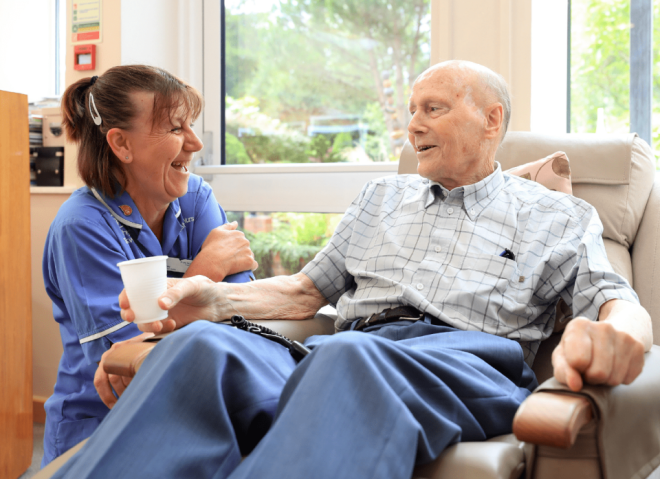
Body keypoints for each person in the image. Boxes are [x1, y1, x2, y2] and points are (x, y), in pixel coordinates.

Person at [50, 60, 651, 479]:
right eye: (412, 110)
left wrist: (617, 336)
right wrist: (209, 300)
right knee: (205, 350)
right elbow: (307, 291)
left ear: (491, 120)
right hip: (355, 347)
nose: (412, 125)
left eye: (433, 109)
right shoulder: (380, 198)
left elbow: (613, 297)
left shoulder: (555, 214)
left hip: (464, 361)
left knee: (347, 357)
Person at [41, 65, 258, 467]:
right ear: (122, 144)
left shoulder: (194, 197)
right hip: (103, 423)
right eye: (176, 129)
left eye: (190, 125)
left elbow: (239, 308)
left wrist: (174, 308)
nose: (195, 143)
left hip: (192, 410)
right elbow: (132, 361)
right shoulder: (81, 226)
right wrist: (206, 267)